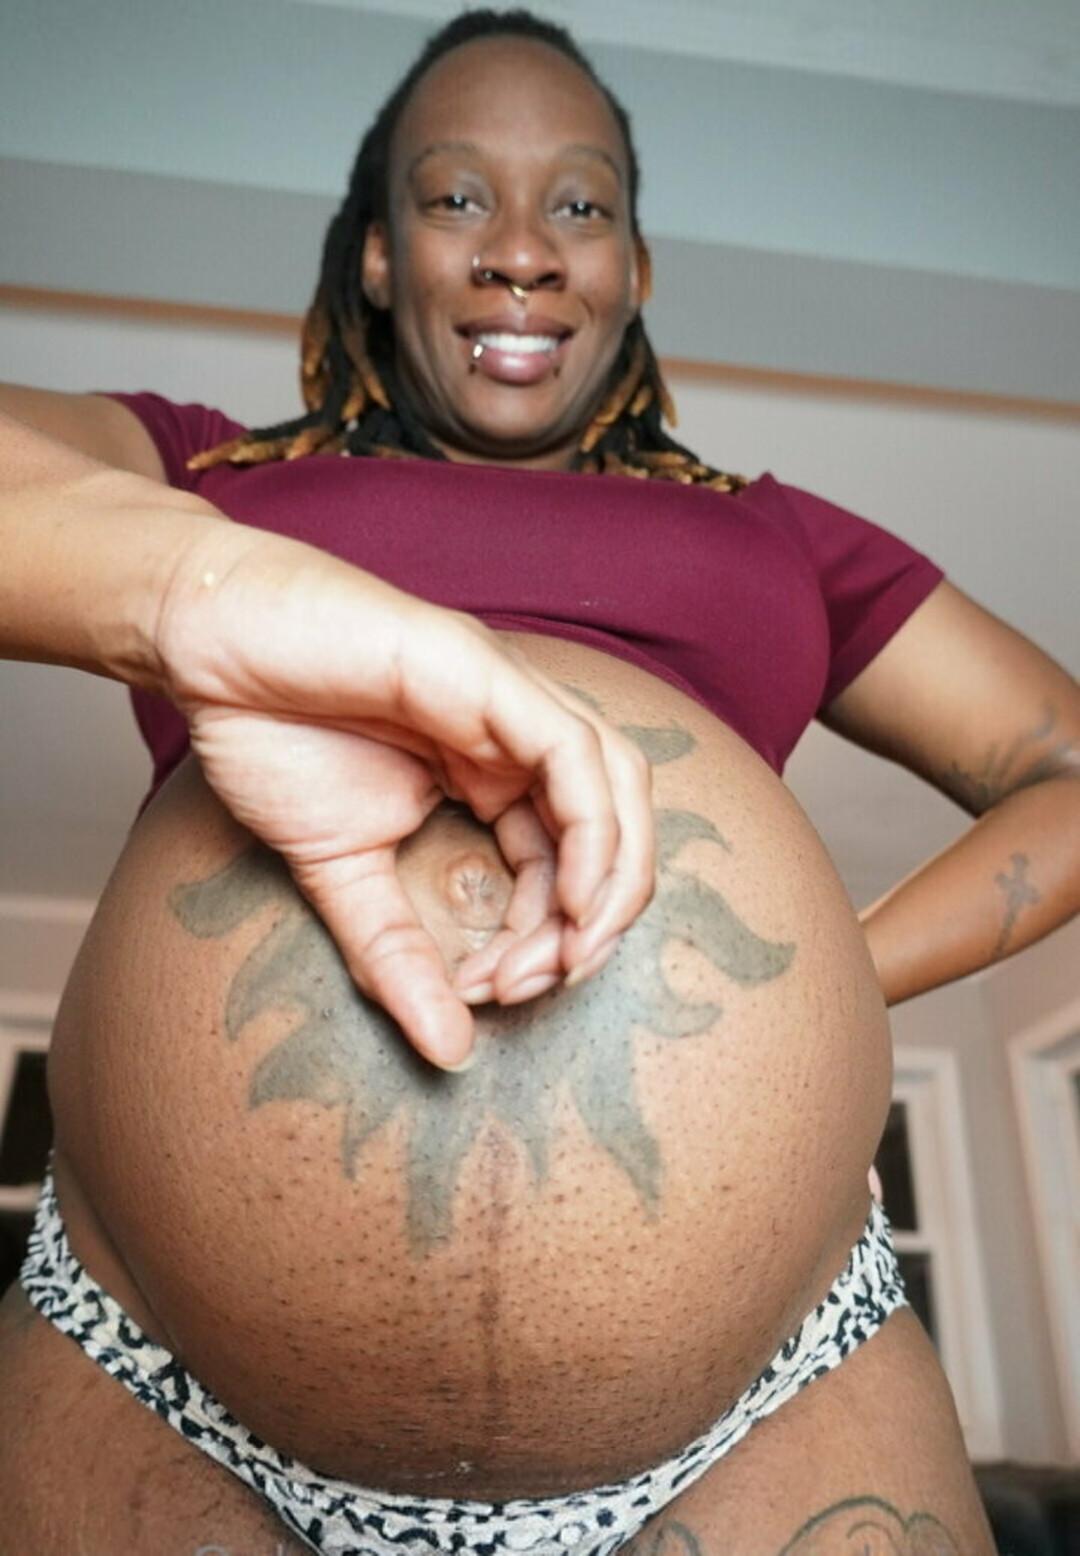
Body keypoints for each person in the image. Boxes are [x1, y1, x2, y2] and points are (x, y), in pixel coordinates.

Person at [0, 9, 1076, 1553]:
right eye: (457, 198)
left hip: (770, 1403)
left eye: (580, 205)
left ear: (636, 268)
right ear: (380, 257)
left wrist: (841, 970)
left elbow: (1063, 764)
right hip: (156, 1374)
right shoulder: (210, 477)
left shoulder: (771, 531)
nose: (522, 250)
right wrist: (196, 587)